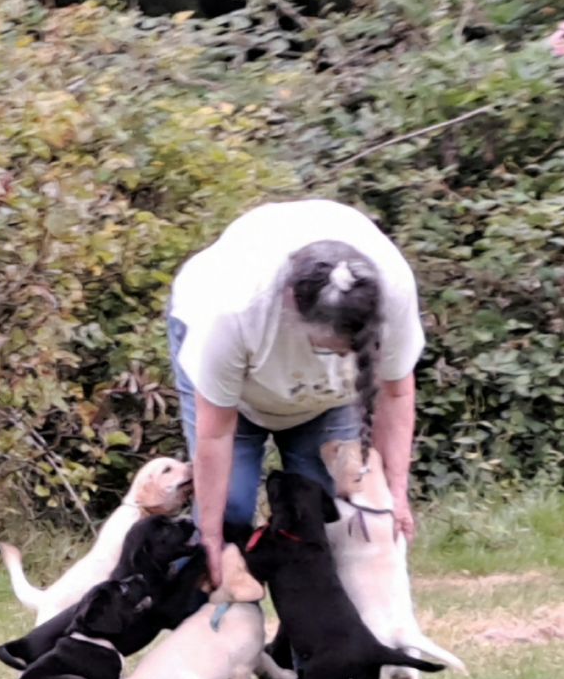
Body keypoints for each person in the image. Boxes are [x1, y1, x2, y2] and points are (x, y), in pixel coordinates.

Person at [167, 199, 425, 585]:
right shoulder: (232, 308)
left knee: (320, 514)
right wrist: (211, 535)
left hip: (324, 401)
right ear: (292, 306)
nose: (338, 356)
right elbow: (216, 432)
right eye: (328, 347)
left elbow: (397, 394)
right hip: (232, 392)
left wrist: (396, 494)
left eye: (351, 349)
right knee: (230, 511)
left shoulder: (393, 291)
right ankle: (209, 632)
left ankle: (305, 641)